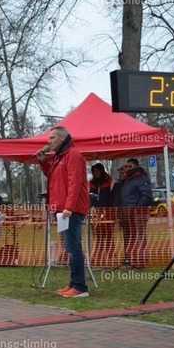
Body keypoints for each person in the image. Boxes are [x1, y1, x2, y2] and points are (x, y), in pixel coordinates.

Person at [37, 126, 90, 298]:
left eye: (52, 138)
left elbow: (75, 183)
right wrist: (43, 162)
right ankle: (73, 284)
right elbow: (53, 177)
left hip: (70, 210)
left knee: (73, 247)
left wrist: (69, 207)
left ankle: (80, 287)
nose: (49, 141)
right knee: (69, 246)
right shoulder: (59, 156)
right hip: (62, 209)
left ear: (62, 138)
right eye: (49, 138)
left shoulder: (72, 155)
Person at [120, 158, 153, 268]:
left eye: (129, 166)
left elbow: (147, 196)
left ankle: (140, 260)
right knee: (131, 237)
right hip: (127, 213)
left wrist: (137, 208)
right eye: (127, 166)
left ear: (135, 166)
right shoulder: (128, 180)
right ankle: (132, 259)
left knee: (139, 236)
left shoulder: (141, 178)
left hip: (138, 213)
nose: (127, 168)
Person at [89, 163, 116, 263]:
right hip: (95, 213)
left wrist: (113, 213)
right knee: (98, 236)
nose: (96, 173)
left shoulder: (111, 182)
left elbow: (114, 199)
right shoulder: (90, 184)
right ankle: (98, 256)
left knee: (109, 236)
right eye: (94, 171)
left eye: (97, 171)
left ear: (102, 171)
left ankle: (110, 256)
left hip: (108, 213)